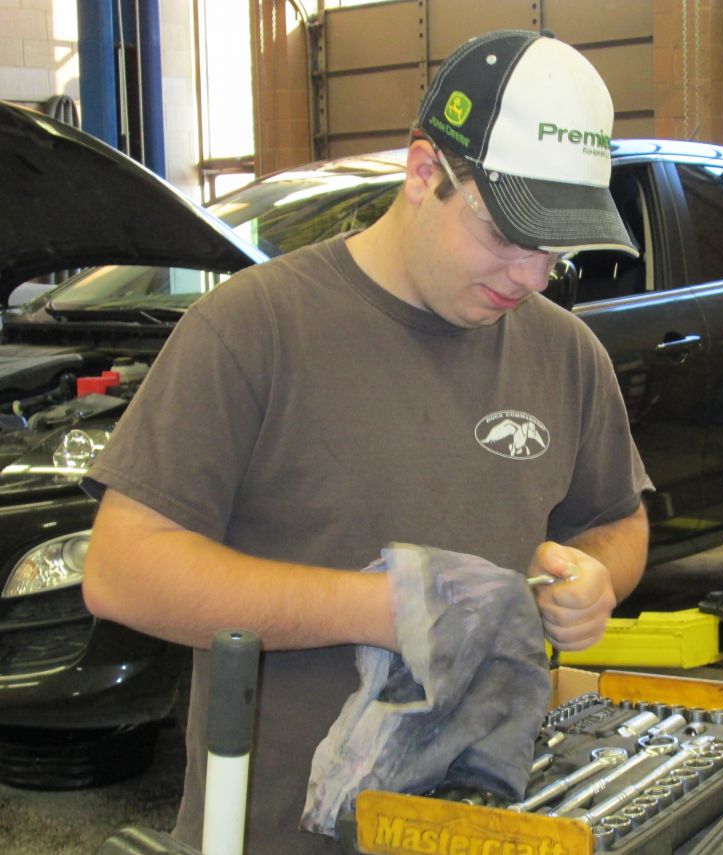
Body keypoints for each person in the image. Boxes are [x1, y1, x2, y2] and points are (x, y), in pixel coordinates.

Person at [81, 29, 652, 854]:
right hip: (275, 831)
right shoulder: (254, 329)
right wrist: (385, 609)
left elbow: (617, 521)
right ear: (425, 172)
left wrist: (595, 578)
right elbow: (122, 570)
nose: (530, 277)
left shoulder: (566, 354)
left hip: (477, 825)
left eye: (554, 253)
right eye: (507, 236)